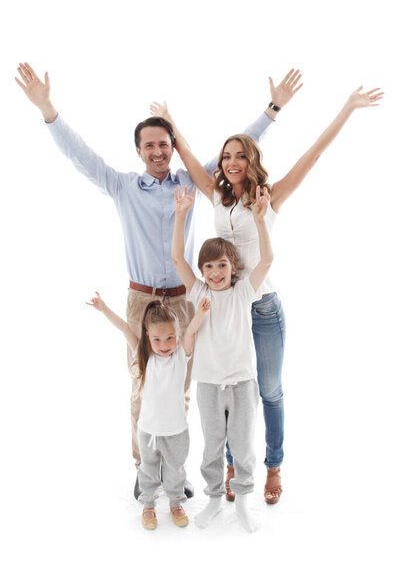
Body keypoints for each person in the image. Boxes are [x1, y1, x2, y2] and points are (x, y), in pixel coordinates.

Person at [14, 61, 299, 499]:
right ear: (139, 151)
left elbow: (237, 152)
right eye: (149, 145)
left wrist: (273, 108)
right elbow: (80, 156)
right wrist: (48, 110)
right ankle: (145, 468)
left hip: (185, 299)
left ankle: (176, 472)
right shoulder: (122, 186)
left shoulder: (190, 181)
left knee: (182, 388)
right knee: (143, 387)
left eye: (164, 144)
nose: (158, 151)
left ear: (172, 147)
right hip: (141, 300)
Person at [151, 82, 384, 505]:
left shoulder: (269, 198)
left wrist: (348, 107)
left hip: (261, 309)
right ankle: (233, 465)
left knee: (269, 390)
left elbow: (312, 156)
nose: (233, 161)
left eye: (241, 154)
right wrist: (170, 121)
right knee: (224, 387)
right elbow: (186, 156)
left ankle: (272, 465)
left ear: (252, 159)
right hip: (222, 311)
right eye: (227, 155)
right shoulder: (216, 198)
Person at [172, 184, 273, 532]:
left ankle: (243, 501)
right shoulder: (198, 291)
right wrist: (182, 215)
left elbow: (268, 260)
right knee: (213, 446)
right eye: (209, 266)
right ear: (202, 271)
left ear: (233, 267)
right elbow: (176, 259)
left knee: (243, 446)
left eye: (222, 265)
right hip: (209, 384)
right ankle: (214, 498)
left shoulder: (244, 290)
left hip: (243, 382)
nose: (216, 272)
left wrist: (260, 221)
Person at [86, 291, 210, 529]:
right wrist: (104, 309)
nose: (164, 345)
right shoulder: (145, 358)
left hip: (176, 431)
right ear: (148, 337)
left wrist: (202, 312)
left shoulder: (180, 357)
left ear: (177, 335)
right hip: (148, 431)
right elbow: (124, 328)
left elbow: (192, 330)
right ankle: (149, 505)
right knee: (148, 470)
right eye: (157, 339)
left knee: (175, 470)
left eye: (170, 338)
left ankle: (175, 502)